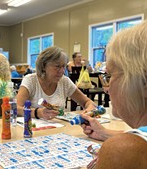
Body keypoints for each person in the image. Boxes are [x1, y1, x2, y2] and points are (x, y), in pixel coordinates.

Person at [80, 21, 147, 168]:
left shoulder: (124, 151)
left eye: (110, 76)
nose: (107, 88)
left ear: (143, 84)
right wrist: (104, 133)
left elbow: (129, 149)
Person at [16, 46, 96, 119]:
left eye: (64, 66)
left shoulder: (64, 81)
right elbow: (16, 108)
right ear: (44, 66)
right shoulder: (31, 80)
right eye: (57, 66)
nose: (62, 71)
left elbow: (87, 102)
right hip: (33, 129)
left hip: (59, 128)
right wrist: (37, 112)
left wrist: (88, 111)